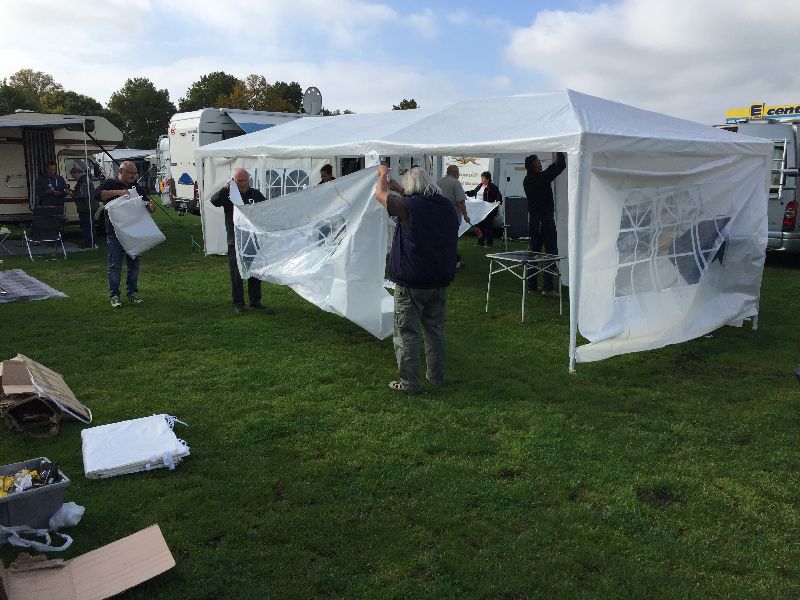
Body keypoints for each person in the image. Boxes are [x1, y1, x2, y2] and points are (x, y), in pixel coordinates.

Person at [375, 165, 459, 394]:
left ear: (410, 187)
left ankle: (409, 383)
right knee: (435, 330)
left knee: (406, 333)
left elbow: (380, 195)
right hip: (439, 279)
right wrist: (399, 188)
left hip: (412, 281)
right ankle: (436, 377)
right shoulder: (446, 206)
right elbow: (418, 202)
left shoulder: (408, 207)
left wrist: (383, 174)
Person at [94, 161, 155, 308]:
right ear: (121, 172)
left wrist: (150, 206)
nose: (134, 176)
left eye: (135, 173)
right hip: (114, 232)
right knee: (115, 266)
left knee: (134, 264)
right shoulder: (110, 183)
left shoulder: (136, 187)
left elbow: (148, 203)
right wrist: (119, 192)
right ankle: (114, 296)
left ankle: (132, 293)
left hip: (134, 232)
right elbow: (97, 195)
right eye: (131, 173)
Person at [211, 168, 270, 315]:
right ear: (234, 181)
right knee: (236, 274)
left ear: (249, 180)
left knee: (255, 272)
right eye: (239, 181)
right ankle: (238, 303)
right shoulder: (229, 195)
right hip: (235, 241)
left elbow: (267, 209)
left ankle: (255, 301)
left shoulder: (256, 194)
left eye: (245, 180)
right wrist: (225, 189)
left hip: (253, 240)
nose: (243, 184)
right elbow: (214, 201)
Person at [524, 152, 566, 296]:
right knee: (551, 254)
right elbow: (560, 166)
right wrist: (559, 150)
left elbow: (552, 170)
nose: (541, 165)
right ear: (535, 167)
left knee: (534, 254)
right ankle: (548, 288)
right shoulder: (541, 179)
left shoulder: (527, 180)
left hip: (534, 221)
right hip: (545, 221)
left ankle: (532, 286)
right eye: (539, 163)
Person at [436, 165, 471, 269]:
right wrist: (465, 215)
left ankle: (440, 260)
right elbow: (461, 202)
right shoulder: (456, 183)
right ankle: (453, 263)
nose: (459, 175)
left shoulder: (438, 182)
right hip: (452, 217)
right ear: (455, 173)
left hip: (438, 217)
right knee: (451, 241)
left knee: (440, 240)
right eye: (458, 173)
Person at [465, 171, 502, 248]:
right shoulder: (480, 186)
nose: (482, 180)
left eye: (483, 178)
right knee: (479, 226)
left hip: (488, 210)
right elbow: (474, 192)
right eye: (481, 178)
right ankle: (480, 242)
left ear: (488, 179)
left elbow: (498, 194)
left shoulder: (492, 187)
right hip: (479, 210)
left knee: (488, 226)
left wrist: (498, 200)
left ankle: (489, 243)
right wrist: (464, 193)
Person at [70, 164, 96, 249]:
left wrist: (71, 194)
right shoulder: (84, 179)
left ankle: (89, 243)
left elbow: (82, 194)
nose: (74, 178)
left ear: (77, 173)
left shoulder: (84, 181)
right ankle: (91, 242)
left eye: (74, 176)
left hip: (87, 207)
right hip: (87, 206)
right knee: (88, 225)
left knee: (87, 226)